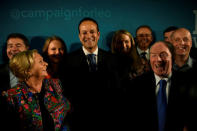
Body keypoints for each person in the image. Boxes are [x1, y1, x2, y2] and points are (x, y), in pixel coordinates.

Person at [64, 17, 121, 130]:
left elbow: (118, 91)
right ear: (80, 36)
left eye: (92, 32)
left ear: (98, 34)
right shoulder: (68, 61)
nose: (88, 36)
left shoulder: (113, 59)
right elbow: (67, 93)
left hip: (109, 121)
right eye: (84, 33)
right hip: (79, 122)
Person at [123, 41, 188, 131]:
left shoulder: (188, 83)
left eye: (163, 55)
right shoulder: (136, 85)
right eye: (153, 55)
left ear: (173, 57)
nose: (159, 59)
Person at [2, 50, 70, 131]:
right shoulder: (11, 96)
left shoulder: (56, 85)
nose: (46, 64)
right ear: (28, 70)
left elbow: (67, 113)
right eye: (40, 62)